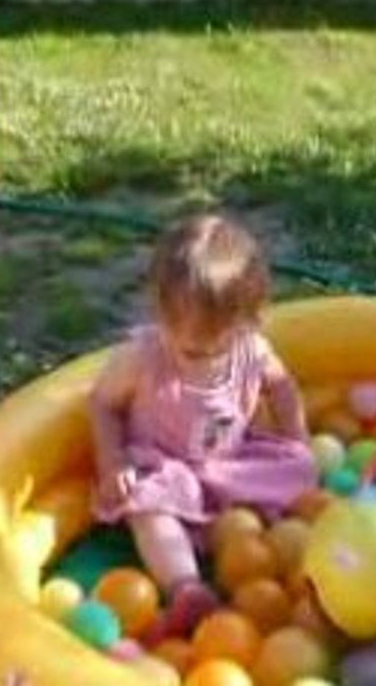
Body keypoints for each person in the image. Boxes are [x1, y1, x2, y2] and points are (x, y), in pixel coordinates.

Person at [88, 214, 317, 640]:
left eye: (220, 346)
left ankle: (304, 569)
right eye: (192, 351)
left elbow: (282, 387)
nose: (206, 357)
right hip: (165, 467)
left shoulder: (253, 349)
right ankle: (185, 587)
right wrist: (112, 460)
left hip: (229, 464)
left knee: (298, 470)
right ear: (162, 317)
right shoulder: (144, 356)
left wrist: (296, 438)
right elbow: (102, 403)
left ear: (250, 321)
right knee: (147, 506)